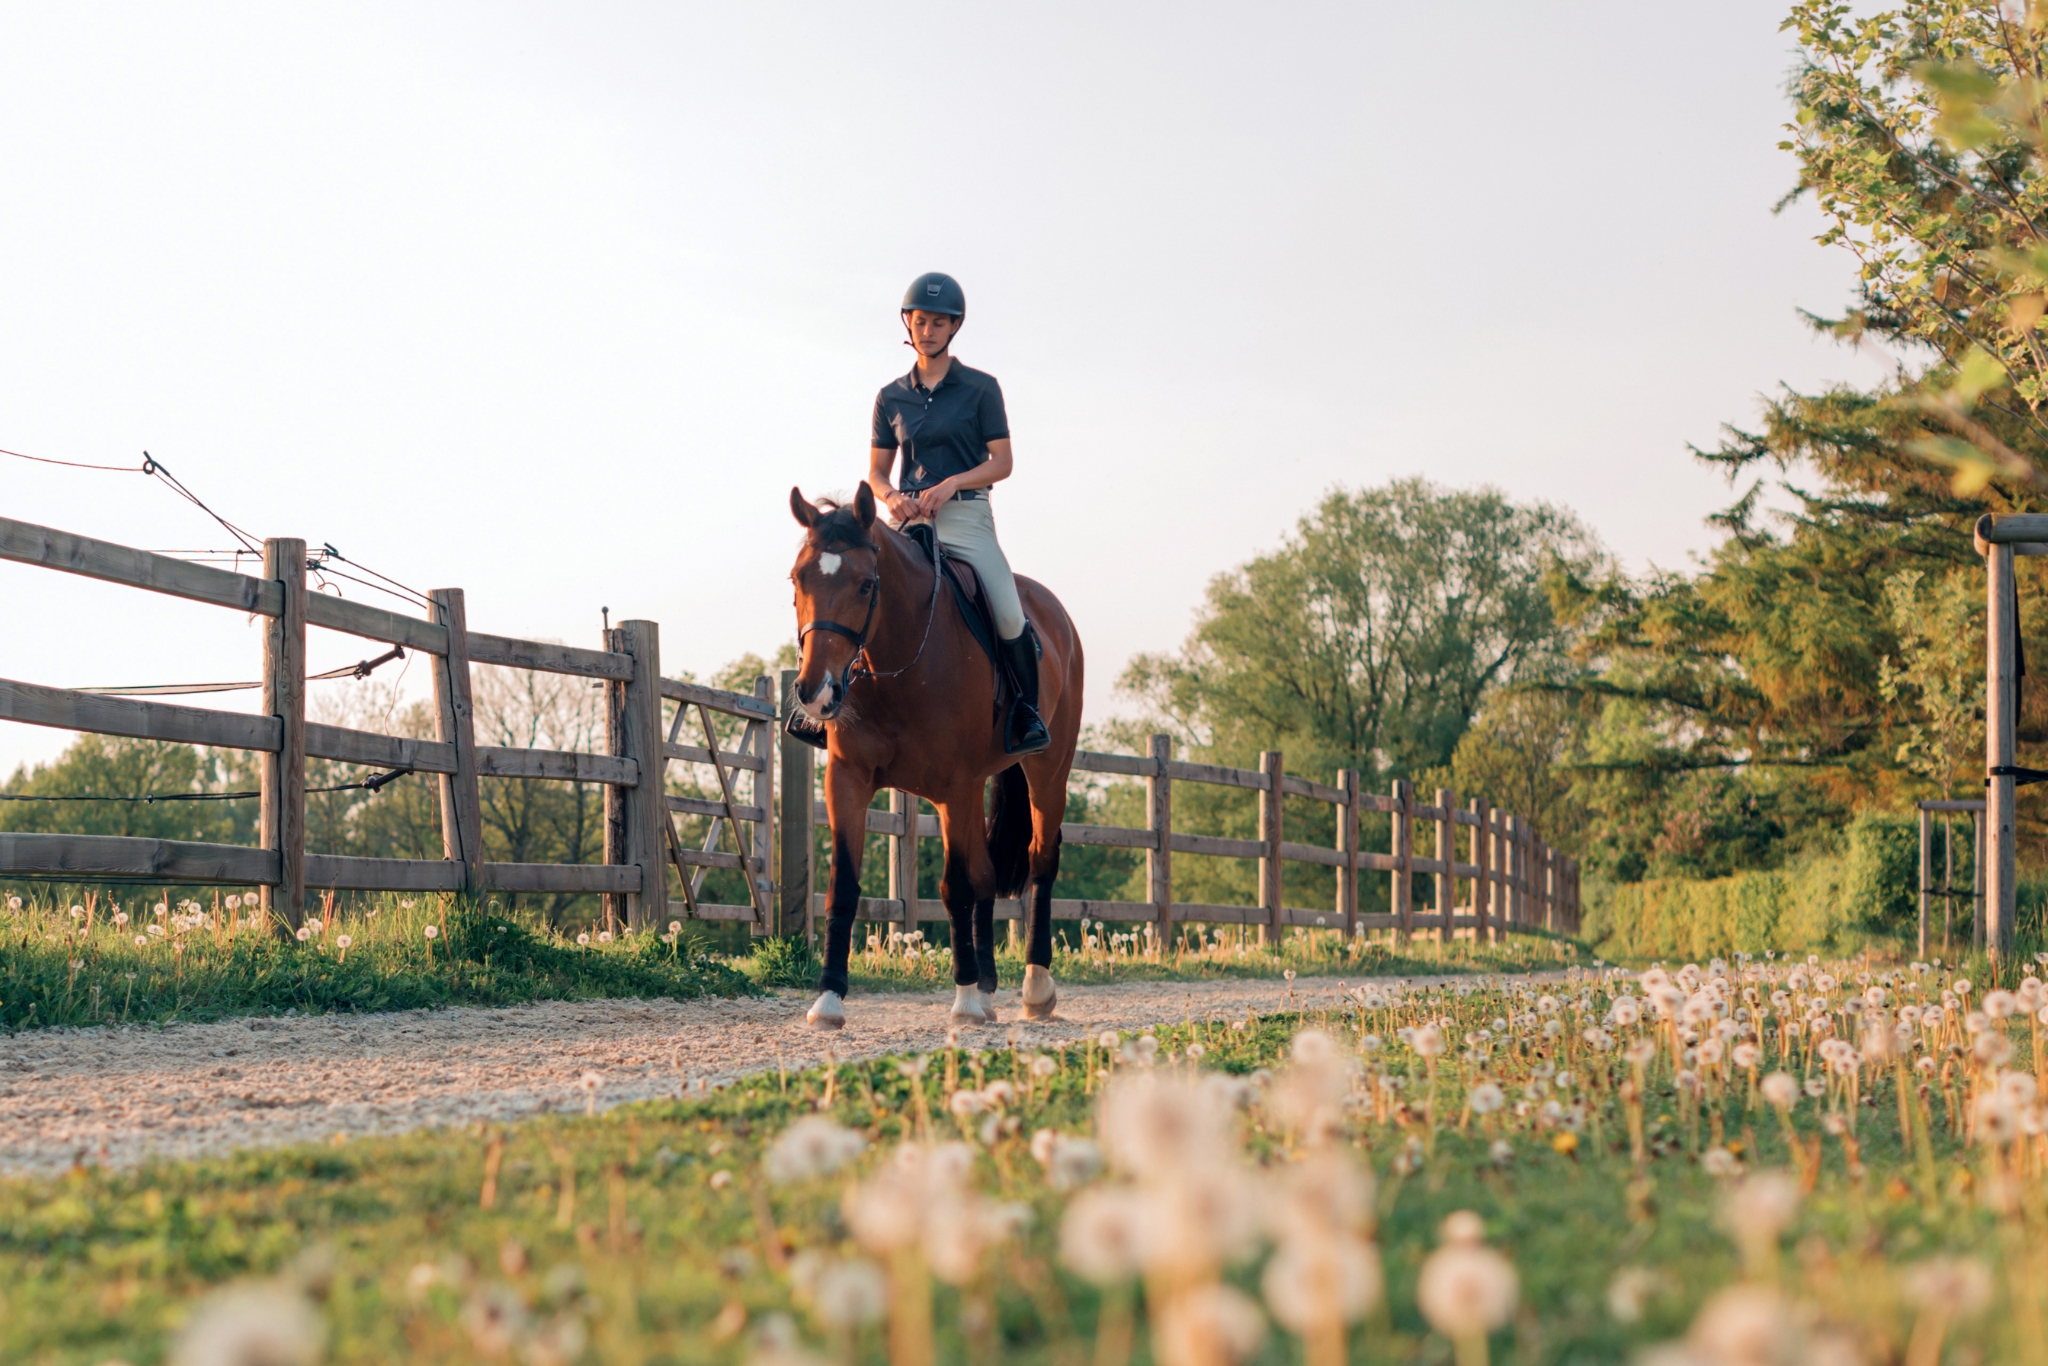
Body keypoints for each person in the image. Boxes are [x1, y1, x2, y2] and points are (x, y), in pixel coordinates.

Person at [863, 271, 1049, 756]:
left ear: (953, 328)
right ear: (908, 323)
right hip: (909, 519)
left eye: (938, 323)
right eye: (920, 321)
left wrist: (951, 484)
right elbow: (877, 475)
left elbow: (1002, 463)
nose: (928, 330)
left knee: (1009, 612)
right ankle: (833, 708)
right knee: (855, 587)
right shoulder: (890, 397)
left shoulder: (982, 388)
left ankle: (1026, 713)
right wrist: (891, 498)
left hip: (966, 516)